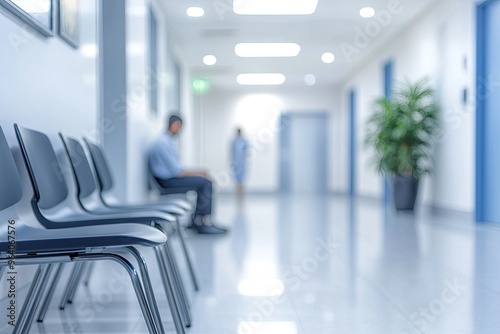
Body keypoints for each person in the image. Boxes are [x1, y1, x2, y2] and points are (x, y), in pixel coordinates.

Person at [149, 114, 227, 234]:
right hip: (166, 182)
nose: (180, 131)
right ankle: (202, 222)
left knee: (203, 182)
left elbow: (177, 169)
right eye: (180, 127)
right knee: (206, 184)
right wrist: (198, 172)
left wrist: (197, 173)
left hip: (169, 178)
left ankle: (197, 221)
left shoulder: (166, 141)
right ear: (175, 125)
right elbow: (178, 172)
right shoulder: (162, 143)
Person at [230, 128, 249, 195]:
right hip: (235, 161)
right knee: (236, 176)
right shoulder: (234, 141)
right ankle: (237, 191)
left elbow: (246, 150)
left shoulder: (244, 140)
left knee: (242, 176)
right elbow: (232, 151)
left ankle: (242, 191)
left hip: (242, 161)